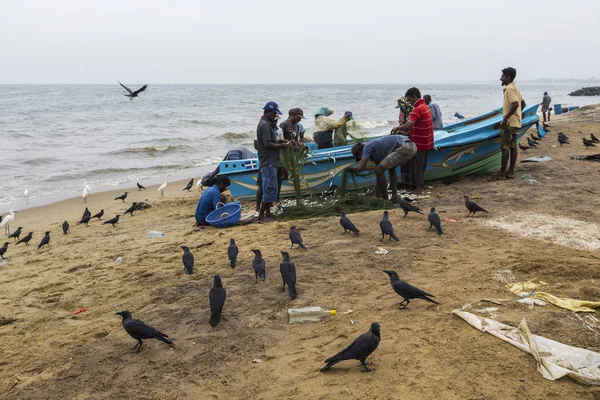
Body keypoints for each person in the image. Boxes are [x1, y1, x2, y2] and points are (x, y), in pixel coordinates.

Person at [392, 87, 434, 195]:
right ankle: (421, 184)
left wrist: (398, 128)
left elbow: (408, 125)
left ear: (414, 97)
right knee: (422, 165)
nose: (410, 103)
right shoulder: (425, 106)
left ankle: (418, 188)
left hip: (420, 143)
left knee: (417, 166)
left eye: (410, 100)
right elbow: (416, 126)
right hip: (427, 141)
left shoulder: (418, 109)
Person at [347, 135, 417, 201]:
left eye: (360, 157)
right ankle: (394, 196)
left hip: (405, 146)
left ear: (359, 153)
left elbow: (360, 168)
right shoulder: (375, 154)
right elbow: (379, 175)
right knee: (390, 169)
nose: (362, 158)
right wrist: (377, 195)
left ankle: (385, 199)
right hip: (412, 147)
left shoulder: (367, 147)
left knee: (378, 170)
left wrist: (351, 169)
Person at [489, 67, 526, 181]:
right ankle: (511, 172)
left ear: (508, 77)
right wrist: (517, 116)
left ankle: (502, 173)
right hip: (515, 123)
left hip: (509, 123)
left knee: (505, 148)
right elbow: (523, 104)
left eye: (503, 76)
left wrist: (506, 118)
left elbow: (515, 104)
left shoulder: (509, 89)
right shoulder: (515, 87)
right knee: (513, 146)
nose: (501, 78)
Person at [255, 101, 290, 223]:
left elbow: (272, 141)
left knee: (269, 188)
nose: (275, 116)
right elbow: (267, 144)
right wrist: (281, 146)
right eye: (274, 113)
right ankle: (261, 216)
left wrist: (280, 142)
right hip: (269, 161)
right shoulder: (264, 125)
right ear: (268, 112)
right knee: (270, 189)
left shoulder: (265, 124)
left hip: (270, 161)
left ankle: (268, 213)